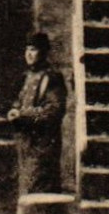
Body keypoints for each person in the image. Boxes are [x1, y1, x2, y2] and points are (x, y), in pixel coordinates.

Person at [7, 30, 66, 195]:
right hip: (27, 143)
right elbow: (20, 101)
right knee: (27, 188)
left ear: (43, 52)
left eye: (33, 50)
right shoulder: (27, 76)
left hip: (44, 143)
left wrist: (24, 115)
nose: (29, 54)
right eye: (27, 50)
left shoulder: (52, 77)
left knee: (42, 187)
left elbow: (54, 110)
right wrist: (14, 110)